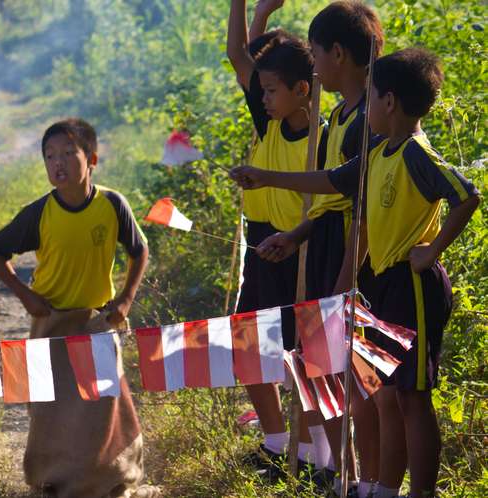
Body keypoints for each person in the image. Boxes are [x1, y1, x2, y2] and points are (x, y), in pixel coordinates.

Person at [230, 48, 481, 498]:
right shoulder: (377, 153)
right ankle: (383, 487)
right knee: (390, 392)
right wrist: (265, 177)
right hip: (380, 284)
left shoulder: (415, 153)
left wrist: (432, 250)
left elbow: (466, 195)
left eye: (372, 94)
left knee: (414, 398)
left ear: (387, 102)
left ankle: (421, 492)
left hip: (413, 285)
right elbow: (329, 181)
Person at [252, 1, 385, 493]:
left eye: (316, 52)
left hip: (350, 256)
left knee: (361, 383)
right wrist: (295, 236)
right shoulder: (342, 113)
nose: (313, 61)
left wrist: (347, 273)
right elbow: (328, 201)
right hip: (323, 244)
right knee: (319, 369)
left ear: (340, 54)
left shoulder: (370, 117)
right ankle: (340, 472)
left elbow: (356, 197)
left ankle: (372, 481)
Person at [0, 118, 152, 498]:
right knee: (50, 408)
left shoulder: (111, 204)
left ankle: (112, 478)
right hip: (51, 322)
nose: (57, 163)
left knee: (104, 406)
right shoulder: (39, 212)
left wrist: (125, 299)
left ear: (91, 158)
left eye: (68, 154)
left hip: (97, 321)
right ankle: (50, 481)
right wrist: (23, 294)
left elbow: (139, 250)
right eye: (49, 156)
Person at [227, 0, 322, 478]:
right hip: (261, 245)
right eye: (260, 90)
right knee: (246, 340)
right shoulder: (269, 120)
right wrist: (251, 8)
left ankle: (312, 456)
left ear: (302, 90)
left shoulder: (326, 135)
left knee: (302, 355)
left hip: (304, 249)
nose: (261, 98)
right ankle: (275, 439)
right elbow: (239, 57)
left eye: (270, 90)